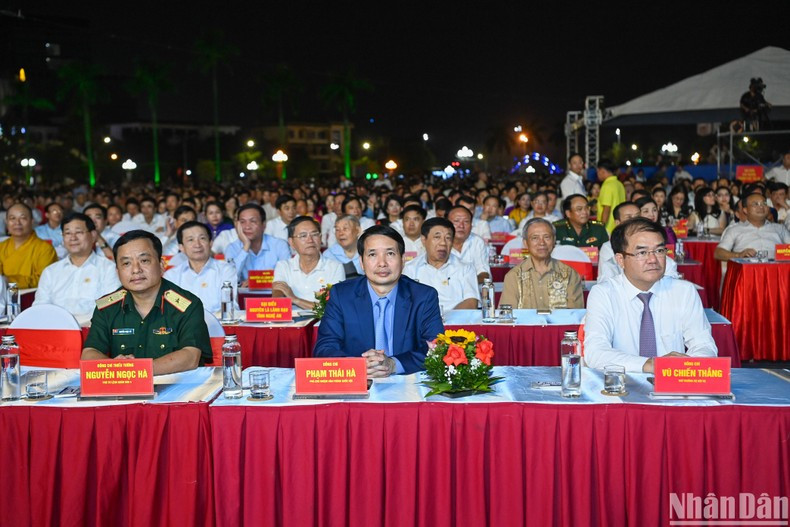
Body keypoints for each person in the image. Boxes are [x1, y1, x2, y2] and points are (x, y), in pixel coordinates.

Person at [585, 217, 718, 372]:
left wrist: (688, 366)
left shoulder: (684, 292)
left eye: (659, 250)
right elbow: (595, 353)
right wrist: (648, 365)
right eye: (642, 252)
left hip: (674, 382)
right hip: (622, 385)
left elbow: (704, 345)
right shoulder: (604, 294)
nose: (653, 259)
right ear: (620, 260)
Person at [313, 225, 444, 376]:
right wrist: (357, 365)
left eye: (390, 253)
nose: (382, 263)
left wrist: (394, 364)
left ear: (402, 260)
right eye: (373, 255)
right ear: (361, 262)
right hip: (358, 384)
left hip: (406, 383)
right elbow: (325, 348)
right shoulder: (341, 295)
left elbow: (436, 349)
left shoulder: (424, 296)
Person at [81, 230, 212, 375]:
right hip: (123, 390)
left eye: (144, 261)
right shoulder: (106, 308)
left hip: (175, 390)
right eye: (126, 263)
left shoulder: (187, 305)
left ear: (162, 265)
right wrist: (116, 367)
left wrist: (138, 370)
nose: (136, 270)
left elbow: (190, 357)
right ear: (117, 271)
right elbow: (89, 354)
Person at [33, 213, 121, 316]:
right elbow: (39, 307)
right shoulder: (50, 272)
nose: (73, 238)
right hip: (56, 328)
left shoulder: (108, 268)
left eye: (78, 232)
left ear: (93, 236)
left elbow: (111, 305)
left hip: (93, 328)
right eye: (68, 233)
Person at [499, 218, 583, 309]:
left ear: (554, 240)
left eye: (547, 237)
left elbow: (575, 316)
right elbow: (507, 317)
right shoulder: (514, 276)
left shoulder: (569, 274)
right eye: (535, 238)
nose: (542, 243)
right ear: (526, 243)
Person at [403, 217, 480, 312]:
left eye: (448, 238)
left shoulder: (466, 268)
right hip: (423, 324)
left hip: (455, 323)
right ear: (423, 240)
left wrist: (444, 319)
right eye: (437, 237)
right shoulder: (411, 268)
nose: (443, 243)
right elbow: (405, 302)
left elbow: (471, 303)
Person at [163, 221, 238, 313]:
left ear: (210, 243)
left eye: (202, 238)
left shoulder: (225, 270)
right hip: (184, 326)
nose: (197, 245)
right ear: (181, 247)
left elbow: (230, 307)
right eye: (190, 240)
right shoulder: (171, 276)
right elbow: (170, 309)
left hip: (217, 325)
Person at [272, 216, 344, 310]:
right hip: (292, 323)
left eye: (314, 234)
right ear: (292, 242)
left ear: (320, 238)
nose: (310, 240)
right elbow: (277, 297)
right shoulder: (283, 266)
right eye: (303, 236)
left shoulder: (335, 267)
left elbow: (333, 308)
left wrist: (294, 299)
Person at [224, 204, 290, 285]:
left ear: (264, 225)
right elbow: (229, 279)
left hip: (274, 296)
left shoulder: (280, 245)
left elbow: (287, 277)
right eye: (242, 222)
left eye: (253, 221)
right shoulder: (232, 248)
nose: (247, 227)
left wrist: (256, 283)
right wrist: (246, 246)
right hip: (243, 296)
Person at [714, 193, 790, 261]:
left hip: (776, 270)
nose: (761, 207)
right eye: (755, 204)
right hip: (747, 271)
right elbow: (718, 253)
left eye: (764, 203)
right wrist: (738, 255)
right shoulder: (734, 229)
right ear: (745, 210)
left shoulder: (780, 228)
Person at [0, 203, 57, 288]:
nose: (17, 223)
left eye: (23, 218)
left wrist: (10, 281)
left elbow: (45, 279)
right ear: (7, 222)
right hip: (4, 295)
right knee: (12, 299)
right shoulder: (1, 247)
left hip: (33, 297)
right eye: (12, 218)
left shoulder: (45, 249)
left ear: (32, 221)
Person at [448, 206, 490, 283]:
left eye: (466, 221)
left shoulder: (477, 241)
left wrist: (466, 285)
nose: (461, 226)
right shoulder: (439, 243)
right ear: (447, 224)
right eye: (457, 221)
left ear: (471, 225)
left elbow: (484, 274)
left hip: (472, 291)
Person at [596, 159, 626, 233]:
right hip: (619, 227)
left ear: (602, 170)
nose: (597, 174)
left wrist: (601, 229)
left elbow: (607, 208)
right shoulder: (619, 184)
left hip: (608, 228)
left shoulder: (607, 185)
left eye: (598, 171)